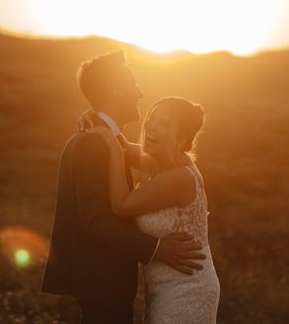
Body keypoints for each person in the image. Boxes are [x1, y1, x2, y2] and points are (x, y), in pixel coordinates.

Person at [42, 51, 206, 324]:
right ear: (117, 92)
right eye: (133, 86)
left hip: (113, 284)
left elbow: (126, 152)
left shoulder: (101, 139)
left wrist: (98, 122)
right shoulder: (93, 144)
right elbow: (95, 221)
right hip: (103, 282)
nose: (140, 93)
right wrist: (156, 249)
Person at [87, 96, 220, 323]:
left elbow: (121, 205)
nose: (152, 125)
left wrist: (108, 143)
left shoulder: (179, 177)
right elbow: (126, 149)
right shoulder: (160, 161)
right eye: (153, 118)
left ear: (181, 138)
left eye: (165, 124)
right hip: (163, 287)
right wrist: (97, 120)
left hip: (188, 288)